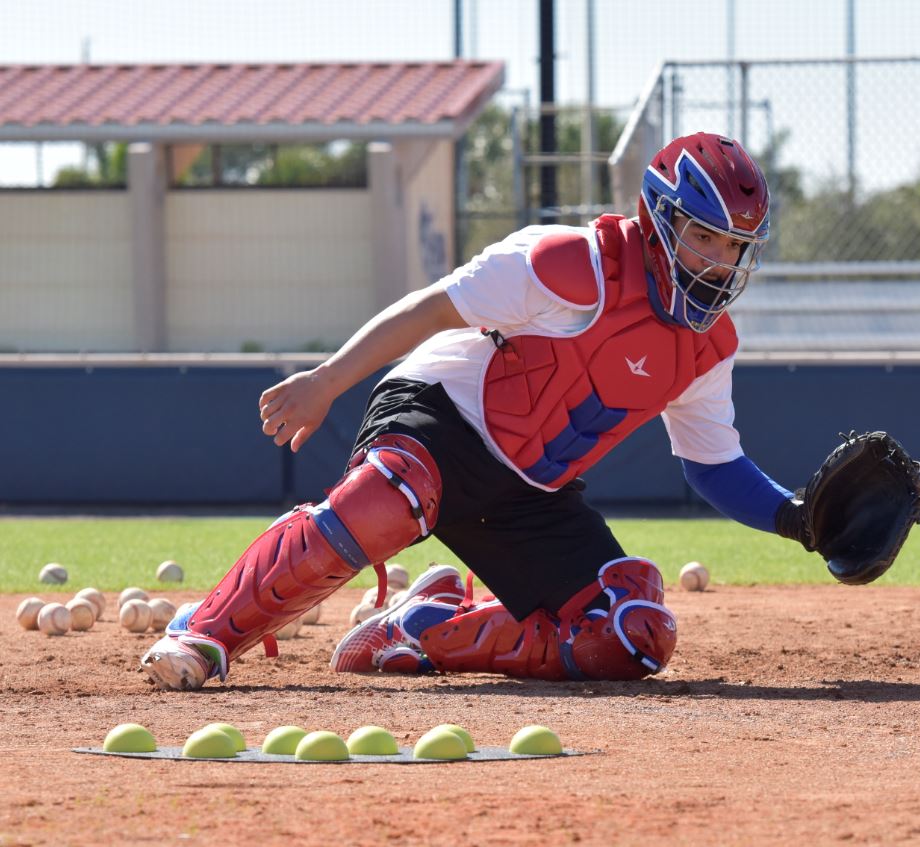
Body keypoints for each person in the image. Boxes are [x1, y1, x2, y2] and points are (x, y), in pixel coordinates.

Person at [140, 132, 813, 691]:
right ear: (659, 218)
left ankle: (418, 631)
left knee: (632, 633)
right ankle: (203, 633)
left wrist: (800, 521)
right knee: (389, 498)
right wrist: (328, 379)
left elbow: (715, 466)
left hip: (525, 492)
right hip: (440, 420)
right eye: (705, 237)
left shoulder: (707, 346)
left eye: (735, 247)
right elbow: (431, 307)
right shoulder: (566, 262)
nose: (720, 263)